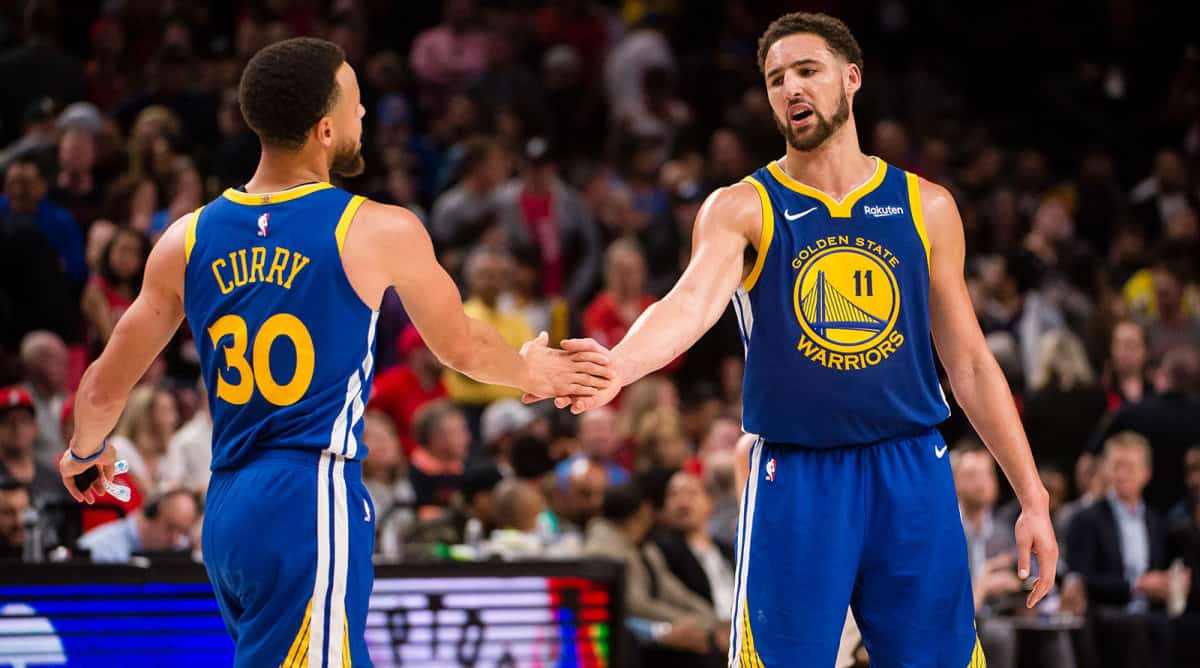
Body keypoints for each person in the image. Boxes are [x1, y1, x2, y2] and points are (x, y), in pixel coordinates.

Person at [58, 37, 609, 667]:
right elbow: (461, 345)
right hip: (308, 494)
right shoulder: (373, 227)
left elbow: (104, 384)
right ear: (325, 129)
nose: (365, 116)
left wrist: (85, 451)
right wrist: (531, 369)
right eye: (356, 104)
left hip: (228, 504)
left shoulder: (185, 237)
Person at [537, 13, 1057, 665]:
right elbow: (690, 303)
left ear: (851, 77)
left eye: (806, 71)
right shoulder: (744, 205)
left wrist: (1032, 497)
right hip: (798, 474)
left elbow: (972, 363)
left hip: (912, 468)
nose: (789, 88)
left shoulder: (927, 206)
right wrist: (619, 364)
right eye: (776, 79)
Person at [1066, 432, 1181, 668]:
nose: (1122, 474)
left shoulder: (1157, 522)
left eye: (1130, 467)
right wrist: (1136, 586)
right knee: (1135, 628)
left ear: (1146, 473)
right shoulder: (1086, 519)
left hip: (1152, 615)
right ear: (1105, 469)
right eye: (1117, 466)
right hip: (1107, 614)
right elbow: (1081, 579)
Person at [76, 488, 199, 563]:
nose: (174, 539)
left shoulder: (181, 545)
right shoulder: (97, 549)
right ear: (151, 513)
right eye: (170, 527)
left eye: (182, 531)